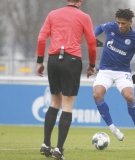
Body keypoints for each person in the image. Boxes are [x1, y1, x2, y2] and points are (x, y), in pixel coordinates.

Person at [36, 0, 97, 159]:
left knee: (55, 101)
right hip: (71, 60)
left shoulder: (53, 14)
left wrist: (40, 61)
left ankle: (45, 144)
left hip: (54, 60)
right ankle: (59, 149)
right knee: (67, 104)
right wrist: (91, 64)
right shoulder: (84, 17)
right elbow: (91, 43)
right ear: (80, 1)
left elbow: (42, 39)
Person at [93, 8, 135, 146]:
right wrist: (92, 38)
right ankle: (113, 129)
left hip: (122, 72)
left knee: (130, 97)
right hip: (105, 70)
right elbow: (100, 27)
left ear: (130, 22)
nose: (120, 26)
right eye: (118, 22)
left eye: (123, 23)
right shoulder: (111, 27)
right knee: (97, 95)